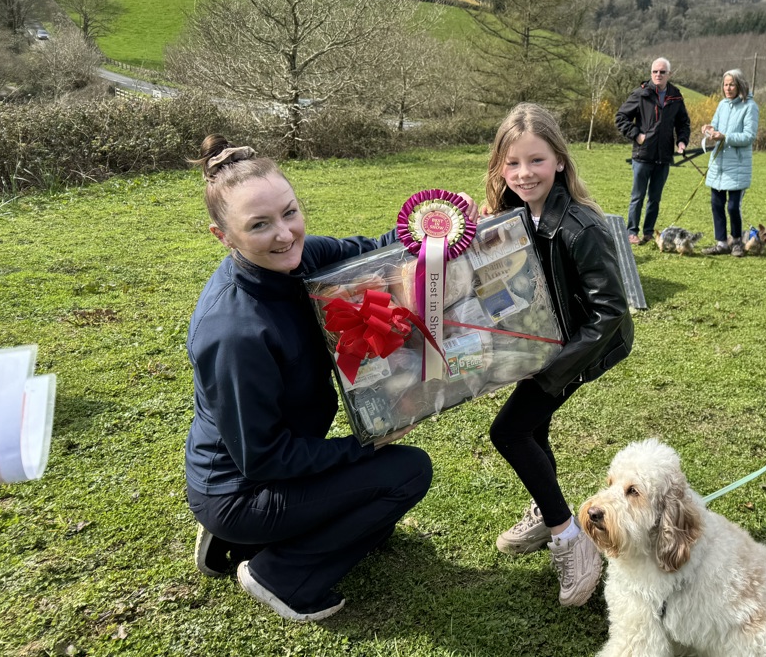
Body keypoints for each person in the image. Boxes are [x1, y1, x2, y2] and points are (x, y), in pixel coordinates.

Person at [184, 135, 469, 622]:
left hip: (265, 473)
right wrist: (365, 448)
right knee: (406, 472)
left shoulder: (303, 259)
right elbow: (264, 458)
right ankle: (281, 574)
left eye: (289, 213)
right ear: (223, 236)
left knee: (375, 513)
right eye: (259, 225)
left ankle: (241, 539)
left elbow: (372, 252)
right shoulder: (233, 331)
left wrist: (441, 234)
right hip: (242, 488)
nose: (284, 234)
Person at [484, 103, 635, 606]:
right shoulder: (514, 214)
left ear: (560, 163)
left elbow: (610, 310)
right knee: (533, 430)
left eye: (536, 161)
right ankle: (543, 506)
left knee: (508, 430)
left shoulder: (580, 225)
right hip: (539, 341)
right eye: (512, 163)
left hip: (576, 348)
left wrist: (554, 371)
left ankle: (569, 538)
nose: (524, 173)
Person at [615, 57, 691, 245]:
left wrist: (682, 142)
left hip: (663, 157)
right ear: (651, 74)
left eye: (662, 72)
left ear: (669, 74)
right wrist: (636, 134)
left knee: (655, 199)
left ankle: (649, 232)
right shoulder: (641, 94)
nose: (658, 75)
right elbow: (621, 117)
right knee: (638, 196)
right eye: (655, 71)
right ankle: (632, 232)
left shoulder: (676, 96)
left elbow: (683, 123)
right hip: (643, 155)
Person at [699, 68, 760, 257]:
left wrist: (725, 136)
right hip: (718, 164)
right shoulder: (722, 105)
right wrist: (709, 130)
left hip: (738, 165)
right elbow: (715, 125)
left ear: (740, 85)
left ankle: (736, 242)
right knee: (716, 204)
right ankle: (721, 243)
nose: (728, 88)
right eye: (725, 84)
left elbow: (749, 136)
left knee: (733, 206)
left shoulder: (750, 107)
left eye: (731, 84)